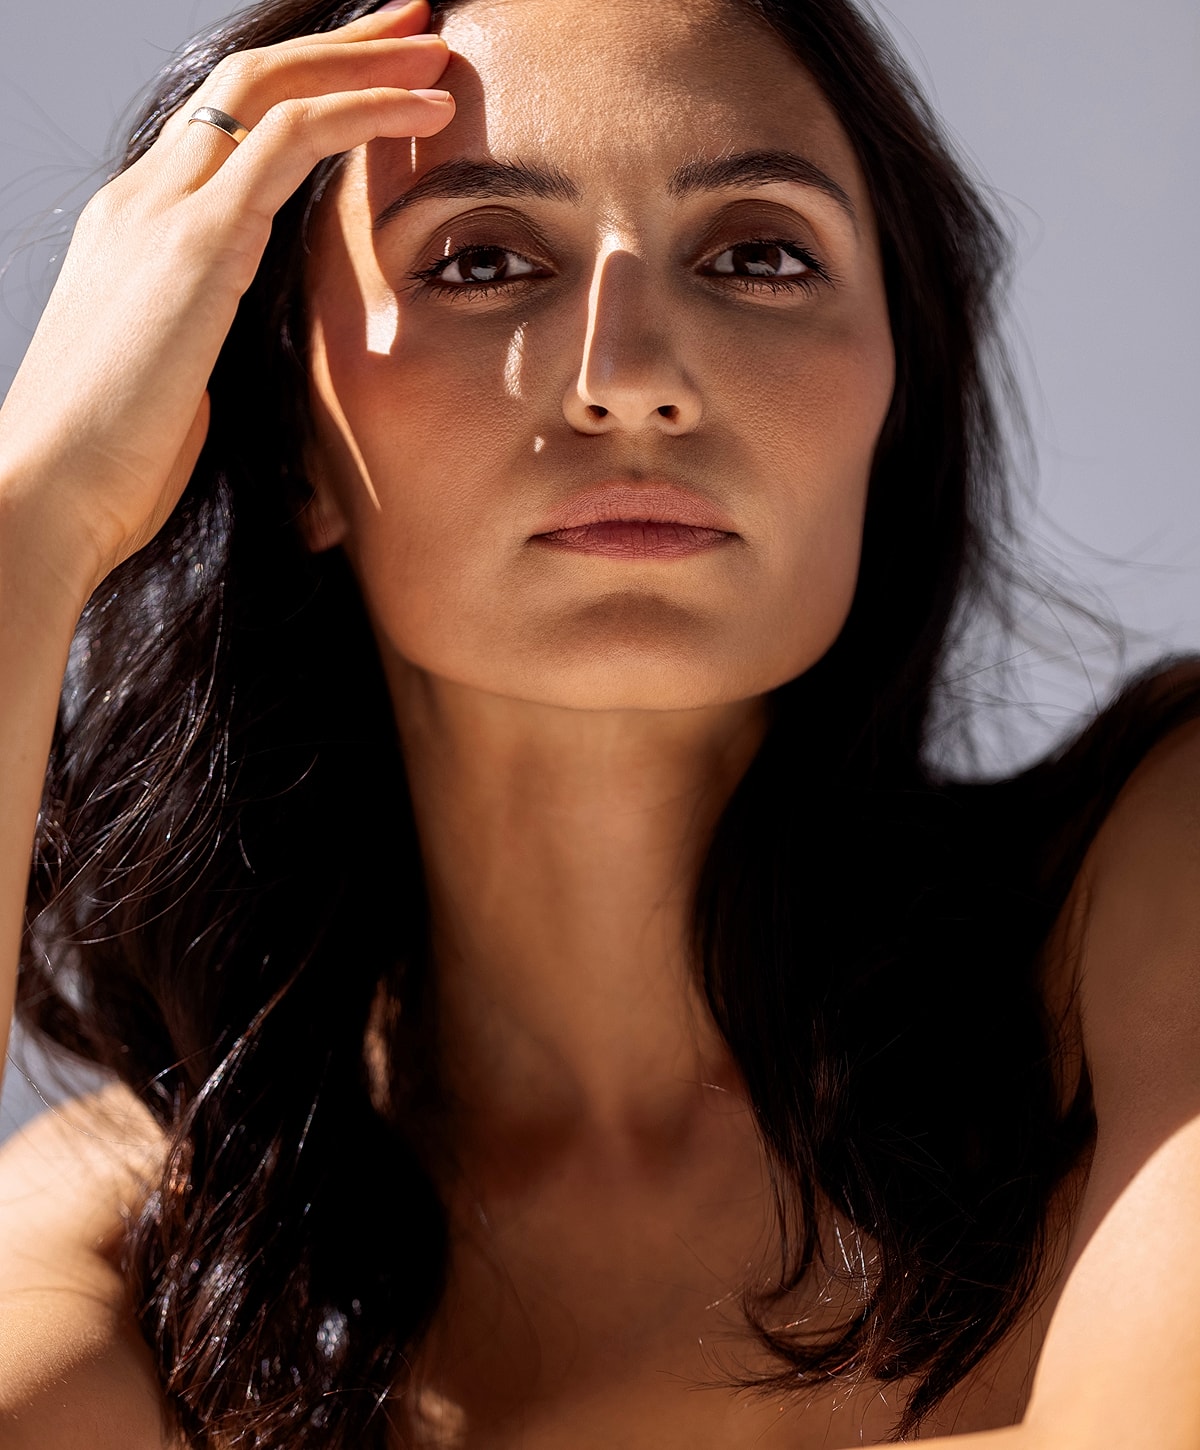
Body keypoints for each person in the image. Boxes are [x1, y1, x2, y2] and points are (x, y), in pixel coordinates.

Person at [1, 0, 1199, 1445]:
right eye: (483, 258)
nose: (628, 371)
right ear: (290, 446)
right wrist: (38, 508)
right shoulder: (161, 1229)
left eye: (759, 254)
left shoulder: (1152, 889)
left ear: (893, 394)